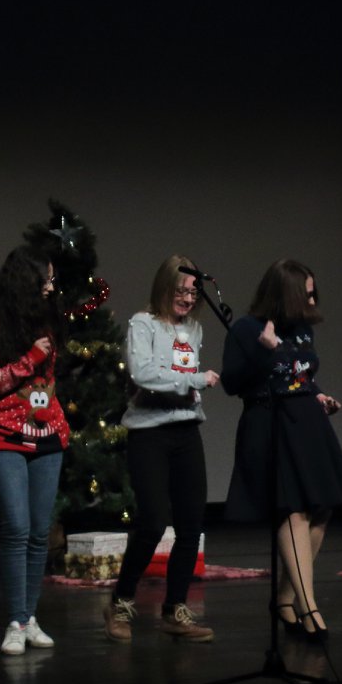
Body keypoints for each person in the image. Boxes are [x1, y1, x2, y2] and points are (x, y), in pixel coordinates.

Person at [222, 260, 342, 639]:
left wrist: (318, 394)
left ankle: (285, 598)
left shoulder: (300, 329)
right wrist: (264, 352)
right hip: (271, 423)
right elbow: (232, 383)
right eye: (306, 294)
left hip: (306, 423)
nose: (312, 301)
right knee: (291, 509)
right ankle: (308, 606)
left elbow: (300, 374)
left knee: (322, 509)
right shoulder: (247, 330)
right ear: (286, 294)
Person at [106, 256, 217, 643]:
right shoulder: (144, 323)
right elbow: (144, 373)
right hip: (150, 432)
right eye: (180, 290)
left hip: (186, 430)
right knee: (153, 522)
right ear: (164, 287)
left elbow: (177, 374)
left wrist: (190, 384)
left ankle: (175, 609)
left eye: (193, 292)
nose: (187, 298)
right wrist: (195, 380)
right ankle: (120, 603)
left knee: (190, 524)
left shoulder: (194, 329)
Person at [0, 244, 69, 655]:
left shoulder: (49, 321)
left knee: (40, 533)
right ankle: (15, 620)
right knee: (16, 528)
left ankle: (29, 618)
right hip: (4, 435)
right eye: (45, 279)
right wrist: (28, 359)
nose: (51, 287)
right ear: (25, 281)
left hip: (48, 436)